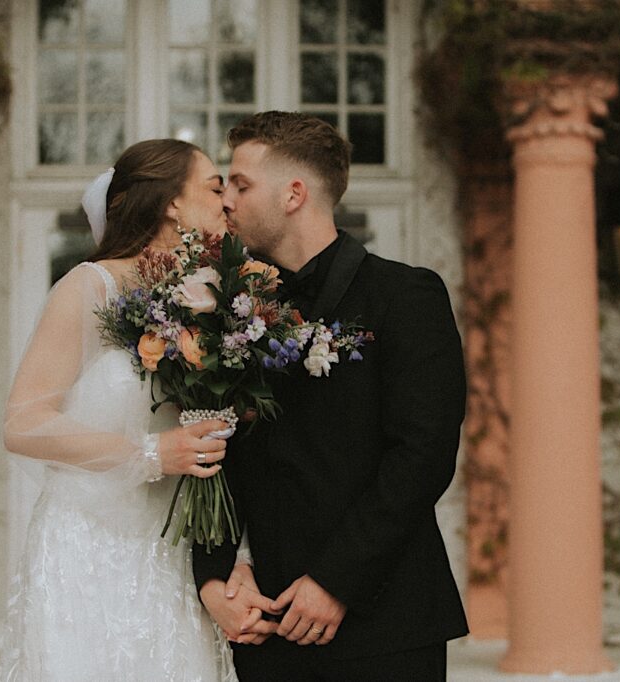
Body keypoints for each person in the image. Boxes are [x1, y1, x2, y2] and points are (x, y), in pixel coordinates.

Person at [193, 112, 469, 681]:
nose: (228, 201)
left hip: (383, 619)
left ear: (294, 194)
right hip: (263, 620)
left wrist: (336, 581)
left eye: (242, 185)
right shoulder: (228, 310)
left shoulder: (404, 296)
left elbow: (423, 455)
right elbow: (214, 450)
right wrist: (219, 572)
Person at [0, 139, 247, 681]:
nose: (226, 201)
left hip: (174, 551)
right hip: (91, 551)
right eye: (213, 187)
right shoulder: (91, 286)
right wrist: (152, 453)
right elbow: (22, 423)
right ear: (172, 204)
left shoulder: (211, 298)